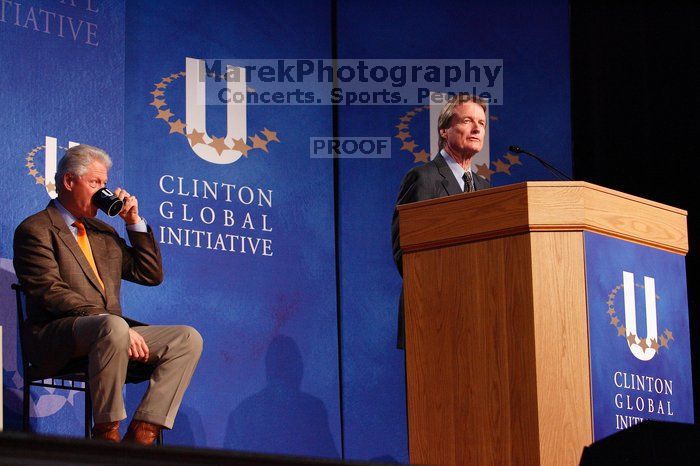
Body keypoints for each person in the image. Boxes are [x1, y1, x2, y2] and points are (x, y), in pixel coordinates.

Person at [13, 144, 203, 445]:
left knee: (187, 338)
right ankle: (106, 434)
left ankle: (143, 432)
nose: (104, 192)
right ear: (69, 182)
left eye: (104, 183)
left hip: (109, 335)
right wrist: (108, 321)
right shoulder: (36, 229)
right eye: (95, 183)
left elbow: (149, 274)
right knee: (113, 325)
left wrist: (133, 223)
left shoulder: (103, 232)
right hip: (58, 337)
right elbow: (49, 291)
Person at [391, 93, 491, 349]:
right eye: (467, 120)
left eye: (482, 122)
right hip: (434, 313)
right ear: (445, 130)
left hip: (480, 315)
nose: (477, 128)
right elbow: (406, 251)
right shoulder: (424, 178)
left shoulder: (485, 188)